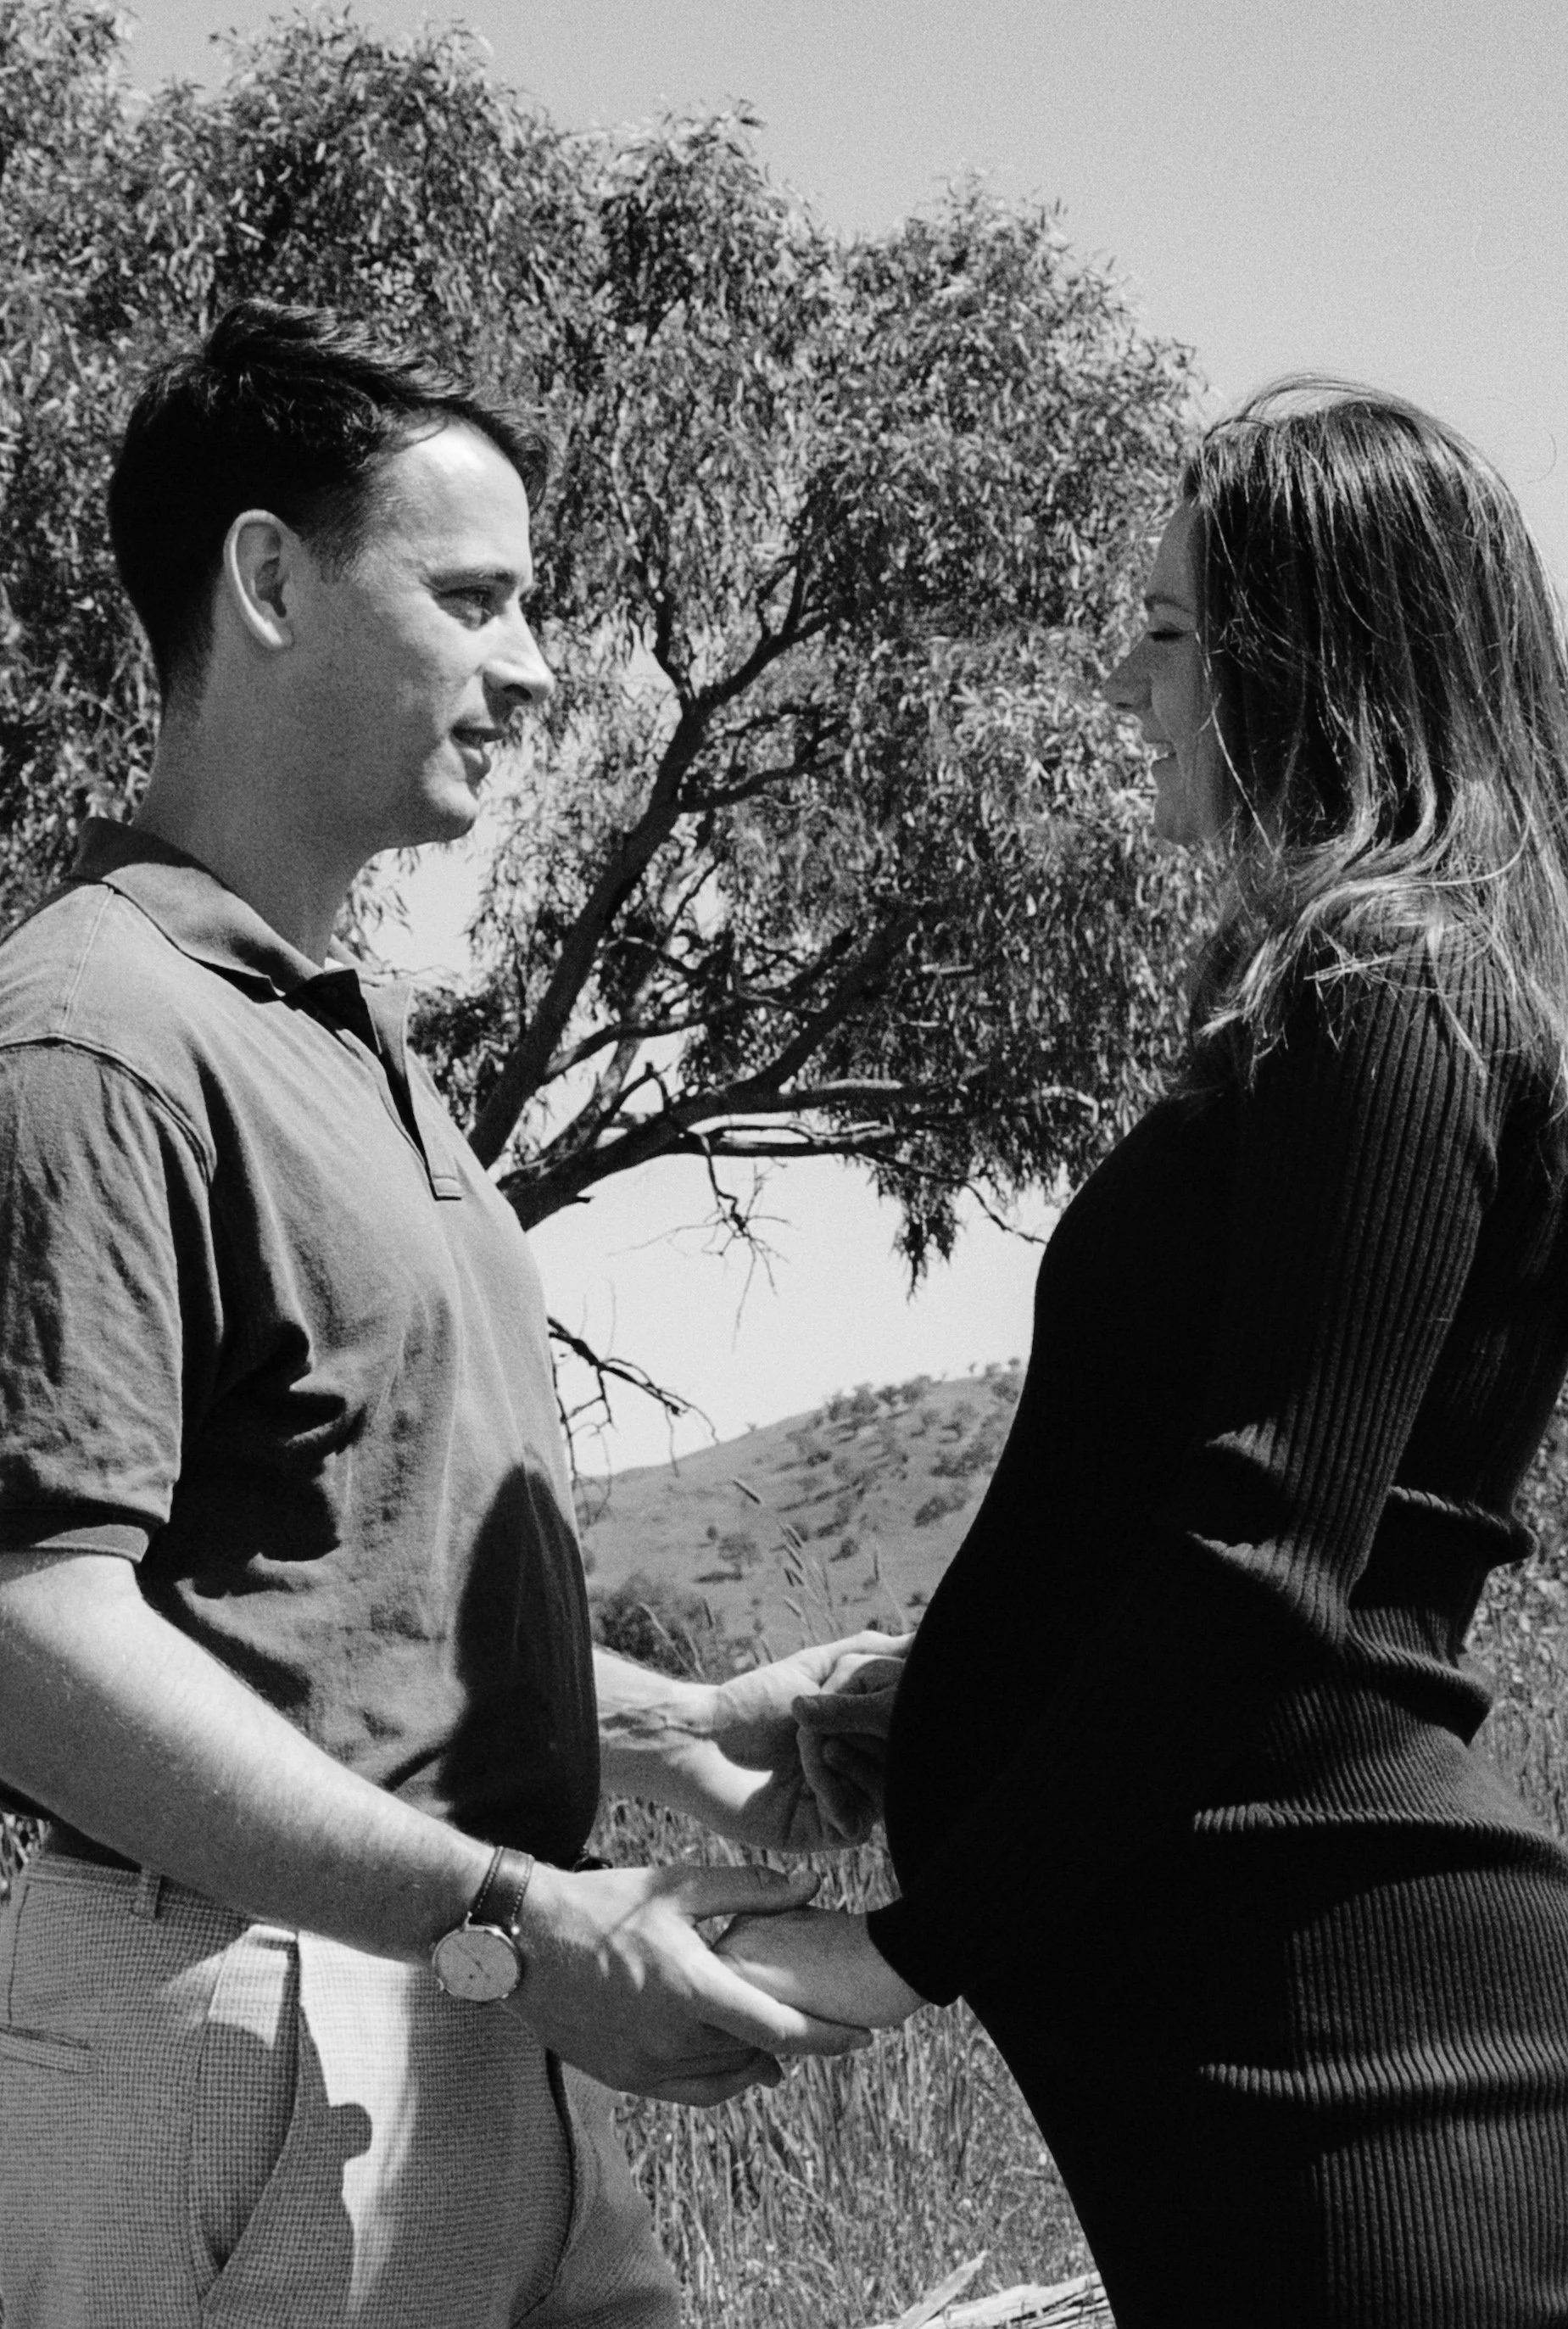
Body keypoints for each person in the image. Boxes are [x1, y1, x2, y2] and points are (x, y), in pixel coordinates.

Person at [0, 298, 905, 2329]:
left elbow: (325, 1573)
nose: (535, 663)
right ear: (267, 581)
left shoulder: (340, 1036)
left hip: (454, 2007)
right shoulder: (97, 1039)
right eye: (474, 596)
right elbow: (34, 1629)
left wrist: (683, 1725)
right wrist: (512, 1909)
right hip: (240, 2038)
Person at [722, 385, 1568, 2326]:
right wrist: (930, 1693)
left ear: (1317, 658)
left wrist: (899, 1954)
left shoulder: (1391, 1002)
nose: (1126, 685)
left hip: (1357, 2071)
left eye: (1172, 630)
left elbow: (1263, 1565)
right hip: (1281, 2051)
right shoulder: (1372, 1006)